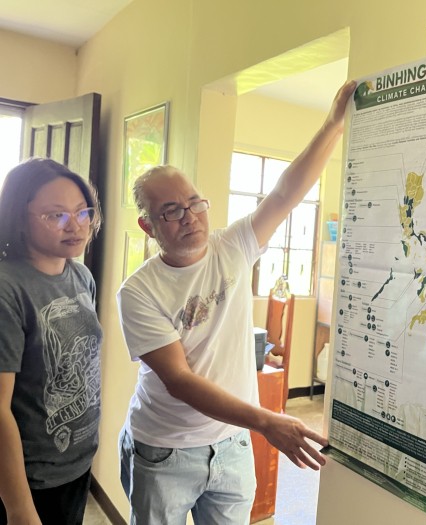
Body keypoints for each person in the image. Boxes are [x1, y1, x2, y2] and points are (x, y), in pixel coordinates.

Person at [117, 80, 356, 524]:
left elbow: (286, 193)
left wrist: (334, 125)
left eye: (195, 203)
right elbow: (181, 381)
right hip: (164, 449)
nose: (190, 217)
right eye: (171, 210)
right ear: (148, 226)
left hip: (231, 446)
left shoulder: (233, 246)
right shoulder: (137, 292)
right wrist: (267, 420)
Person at [0, 158, 103, 525]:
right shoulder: (8, 288)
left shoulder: (80, 275)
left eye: (82, 212)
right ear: (19, 217)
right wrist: (19, 509)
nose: (74, 226)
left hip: (74, 466)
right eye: (55, 215)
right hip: (26, 481)